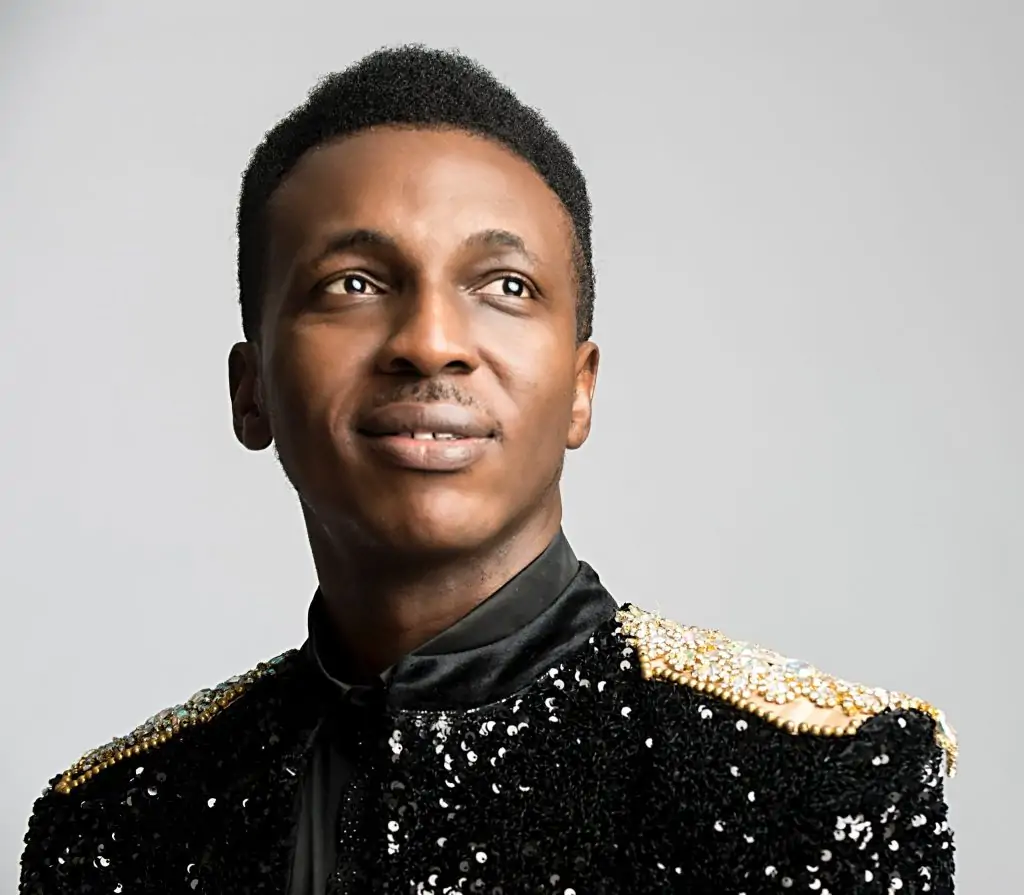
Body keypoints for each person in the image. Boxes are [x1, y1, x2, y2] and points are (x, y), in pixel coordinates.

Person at [19, 44, 957, 894]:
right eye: (353, 283)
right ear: (250, 389)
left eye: (505, 287)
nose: (431, 341)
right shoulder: (112, 828)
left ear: (581, 389)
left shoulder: (816, 783)